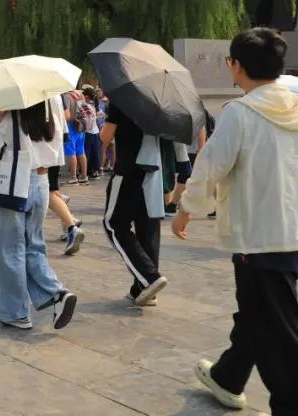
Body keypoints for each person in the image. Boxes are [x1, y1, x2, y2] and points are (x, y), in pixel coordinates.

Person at [173, 28, 298, 414]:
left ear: (237, 66)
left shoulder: (240, 113)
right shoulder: (294, 104)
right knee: (259, 311)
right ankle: (228, 377)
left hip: (257, 237)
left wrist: (186, 207)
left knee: (278, 332)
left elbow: (211, 165)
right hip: (292, 229)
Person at [0, 101, 78, 330]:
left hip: (17, 184)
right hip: (42, 182)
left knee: (11, 250)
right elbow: (58, 151)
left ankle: (18, 311)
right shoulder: (52, 111)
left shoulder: (12, 117)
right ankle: (56, 294)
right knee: (33, 245)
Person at [100, 100, 169, 307]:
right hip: (153, 171)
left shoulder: (123, 98)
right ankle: (143, 289)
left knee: (114, 224)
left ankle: (149, 278)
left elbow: (106, 136)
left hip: (127, 170)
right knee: (147, 227)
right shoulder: (159, 100)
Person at [46, 95, 86, 255]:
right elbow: (66, 116)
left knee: (45, 192)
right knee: (49, 190)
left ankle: (70, 225)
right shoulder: (58, 93)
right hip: (55, 143)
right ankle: (68, 219)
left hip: (43, 147)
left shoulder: (41, 93)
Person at [63, 90, 89, 185]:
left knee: (71, 152)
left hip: (71, 126)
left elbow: (68, 116)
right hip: (80, 126)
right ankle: (84, 176)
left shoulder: (66, 96)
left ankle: (73, 177)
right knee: (81, 151)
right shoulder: (80, 94)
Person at [80, 86, 102, 179]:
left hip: (88, 132)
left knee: (87, 152)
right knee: (95, 152)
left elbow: (87, 119)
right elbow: (101, 114)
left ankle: (88, 171)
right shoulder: (94, 104)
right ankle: (96, 170)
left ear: (86, 96)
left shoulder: (85, 105)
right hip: (95, 131)